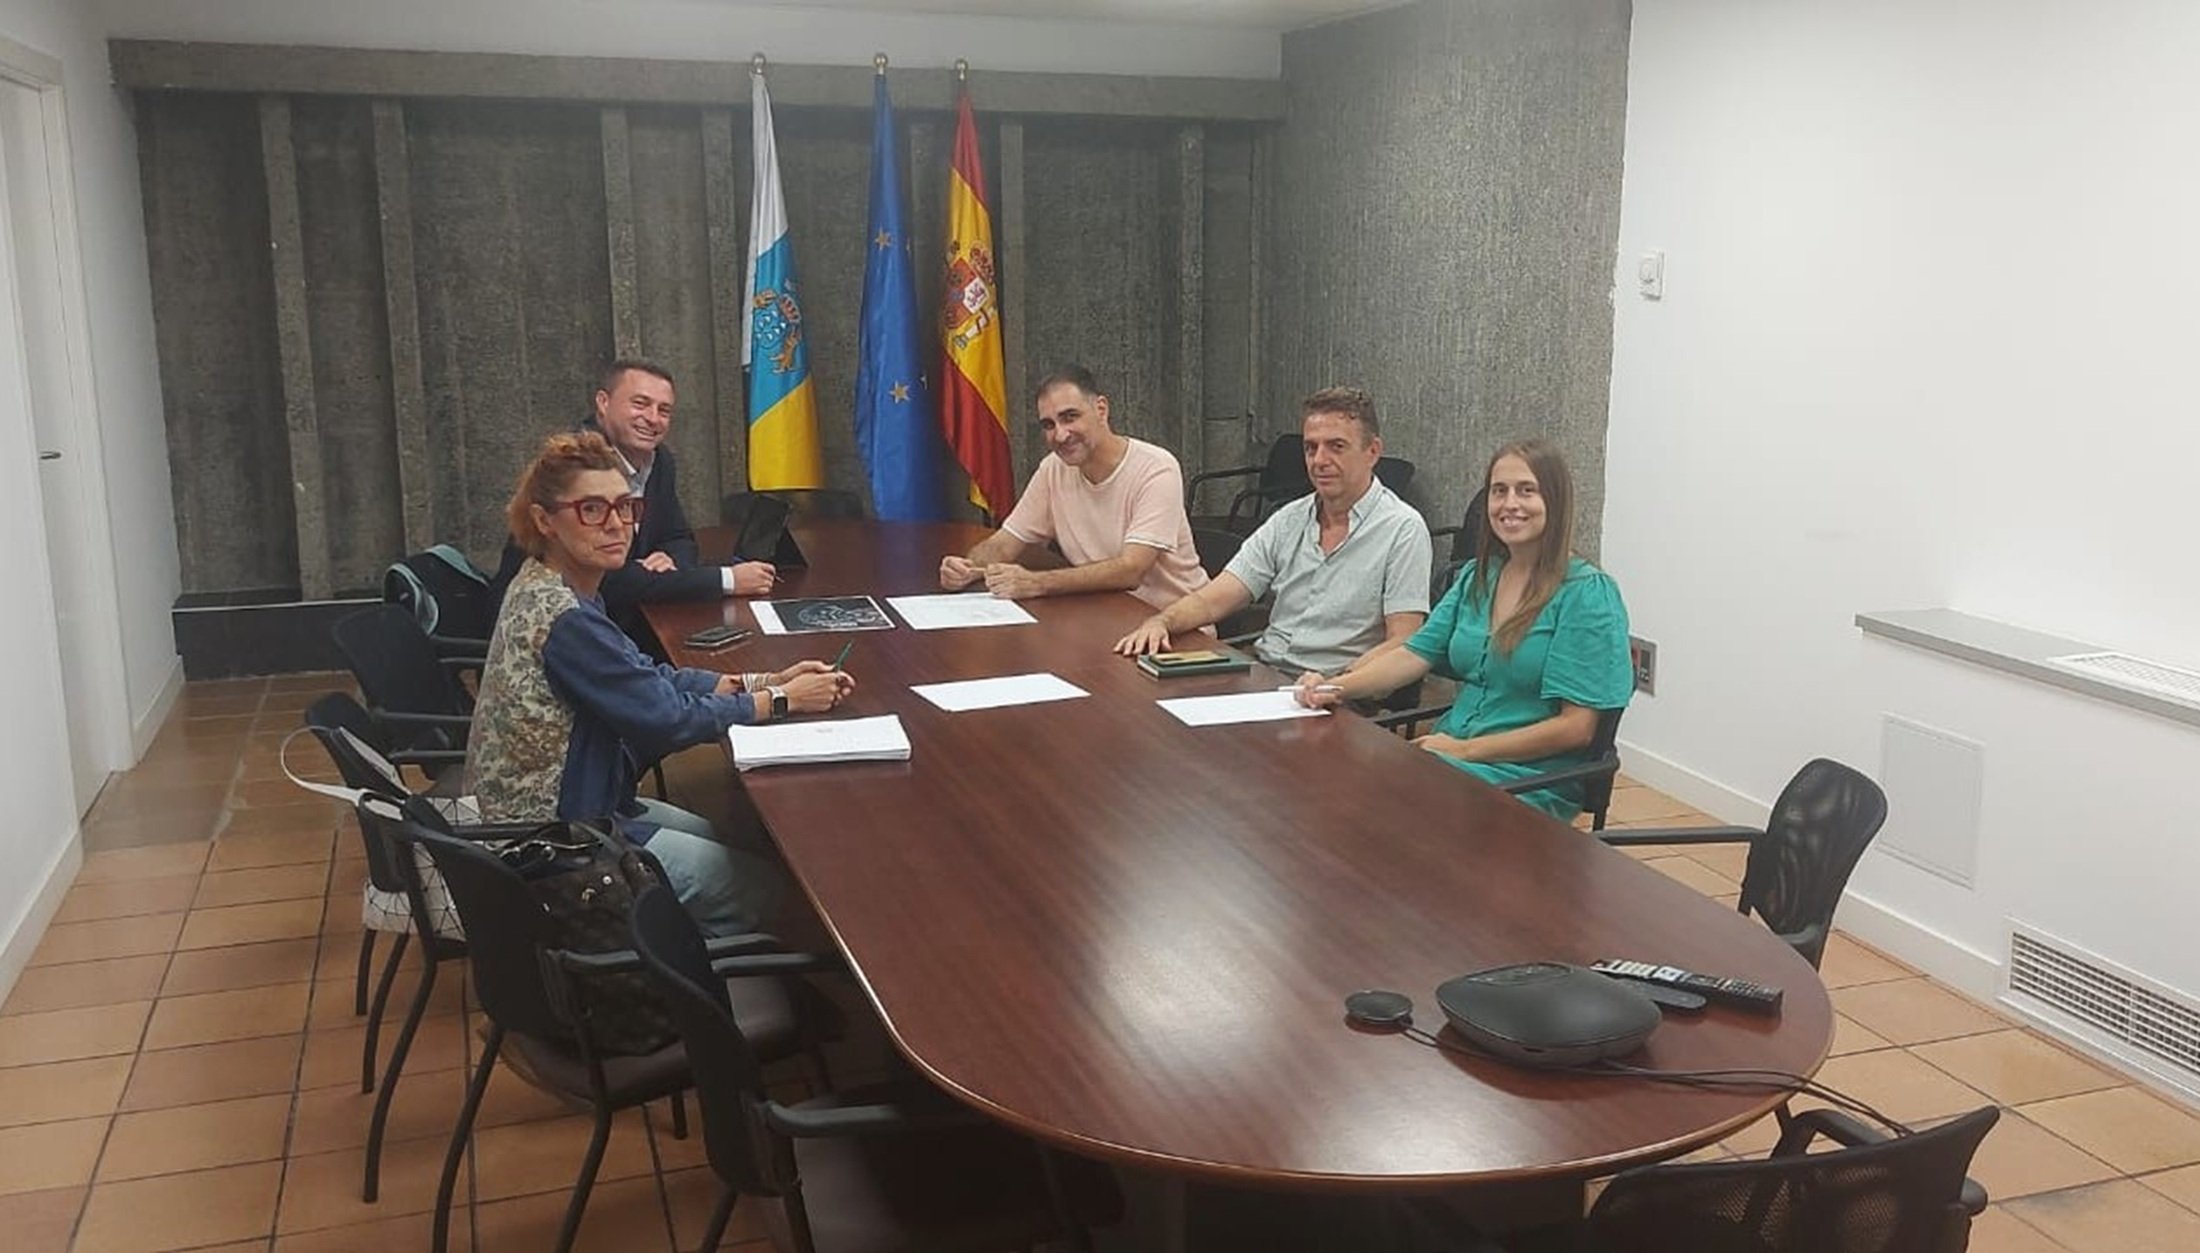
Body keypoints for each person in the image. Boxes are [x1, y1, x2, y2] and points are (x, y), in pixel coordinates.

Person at [467, 431, 854, 935]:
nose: (616, 525)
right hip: (558, 841)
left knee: (723, 837)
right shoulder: (566, 618)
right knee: (762, 888)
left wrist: (765, 678)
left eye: (625, 508)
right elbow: (666, 719)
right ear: (545, 520)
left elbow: (649, 679)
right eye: (591, 510)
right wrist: (781, 701)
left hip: (575, 805)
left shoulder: (551, 582)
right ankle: (691, 990)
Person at [1294, 439, 1631, 821]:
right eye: (1499, 491)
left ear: (1556, 501)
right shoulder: (1477, 577)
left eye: (1527, 490)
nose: (1510, 504)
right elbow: (1412, 653)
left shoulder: (1587, 595)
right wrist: (1331, 688)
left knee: (1373, 811)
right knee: (1335, 787)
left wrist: (1465, 751)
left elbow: (1576, 729)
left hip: (1527, 779)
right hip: (1451, 757)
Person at [1113, 386, 1430, 675]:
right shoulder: (1288, 519)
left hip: (1338, 695)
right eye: (1310, 448)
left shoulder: (1402, 529)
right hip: (1267, 676)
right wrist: (1162, 621)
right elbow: (1216, 598)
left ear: (1373, 451)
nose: (1319, 460)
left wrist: (1342, 684)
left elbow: (1403, 643)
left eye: (1336, 447)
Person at [492, 360, 775, 643]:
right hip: (563, 631)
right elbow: (608, 580)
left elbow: (679, 537)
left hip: (625, 618)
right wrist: (727, 580)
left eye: (664, 410)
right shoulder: (580, 467)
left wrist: (669, 560)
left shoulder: (659, 460)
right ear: (603, 403)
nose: (653, 418)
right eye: (640, 404)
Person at [938, 365, 1207, 609]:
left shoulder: (1156, 468)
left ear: (1101, 409)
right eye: (1048, 425)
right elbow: (1006, 543)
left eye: (1070, 417)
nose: (1060, 435)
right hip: (1102, 620)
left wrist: (1036, 583)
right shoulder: (1053, 469)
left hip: (1176, 631)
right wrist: (968, 567)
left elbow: (1131, 570)